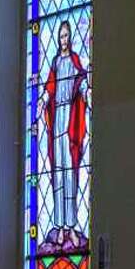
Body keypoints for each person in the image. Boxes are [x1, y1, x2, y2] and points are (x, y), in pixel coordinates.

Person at [38, 18, 90, 244]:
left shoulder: (75, 60)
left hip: (70, 118)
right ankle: (59, 226)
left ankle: (71, 226)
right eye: (61, 36)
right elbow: (50, 87)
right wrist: (42, 99)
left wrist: (88, 95)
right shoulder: (56, 62)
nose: (63, 40)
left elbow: (82, 81)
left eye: (67, 36)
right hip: (57, 118)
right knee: (57, 173)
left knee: (71, 173)